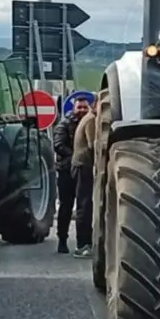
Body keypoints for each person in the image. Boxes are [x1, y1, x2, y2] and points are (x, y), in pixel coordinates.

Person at [51, 94, 92, 254]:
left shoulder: (89, 122)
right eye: (79, 107)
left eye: (84, 107)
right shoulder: (64, 124)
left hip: (82, 170)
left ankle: (85, 241)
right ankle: (62, 239)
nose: (82, 110)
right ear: (73, 108)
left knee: (85, 205)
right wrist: (75, 156)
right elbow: (58, 145)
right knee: (66, 206)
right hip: (66, 171)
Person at [70, 95, 100, 259]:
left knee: (85, 204)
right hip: (83, 166)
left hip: (81, 166)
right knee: (84, 205)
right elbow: (92, 145)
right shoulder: (91, 120)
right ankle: (82, 245)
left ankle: (85, 243)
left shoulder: (88, 118)